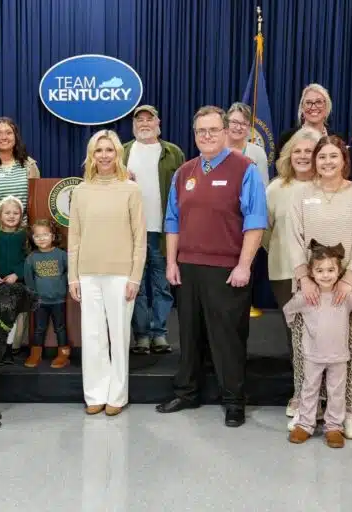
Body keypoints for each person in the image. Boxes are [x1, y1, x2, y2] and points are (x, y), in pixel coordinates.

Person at [155, 106, 267, 427]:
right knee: (188, 334)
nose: (207, 136)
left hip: (227, 269)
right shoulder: (184, 172)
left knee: (227, 337)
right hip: (187, 267)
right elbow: (172, 221)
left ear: (226, 131)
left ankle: (233, 400)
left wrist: (244, 265)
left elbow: (256, 222)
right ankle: (187, 392)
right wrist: (172, 262)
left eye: (213, 130)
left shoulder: (245, 169)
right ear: (195, 135)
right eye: (201, 131)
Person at [287, 135, 352, 439]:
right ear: (315, 161)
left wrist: (349, 278)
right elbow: (292, 236)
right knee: (307, 352)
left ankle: (347, 412)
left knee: (346, 353)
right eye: (322, 157)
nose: (327, 162)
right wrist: (303, 277)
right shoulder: (301, 193)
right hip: (310, 287)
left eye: (333, 157)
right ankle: (305, 413)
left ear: (344, 160)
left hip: (346, 287)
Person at [68, 129, 146, 417]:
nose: (104, 155)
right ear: (92, 155)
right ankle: (95, 393)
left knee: (119, 334)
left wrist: (135, 276)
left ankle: (117, 394)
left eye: (109, 150)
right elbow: (73, 237)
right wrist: (73, 277)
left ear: (118, 154)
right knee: (92, 337)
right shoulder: (80, 191)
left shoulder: (130, 189)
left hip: (121, 275)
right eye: (99, 150)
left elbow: (140, 237)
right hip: (87, 274)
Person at [285, 241, 352, 448]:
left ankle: (333, 427)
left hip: (339, 355)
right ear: (312, 273)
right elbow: (289, 310)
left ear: (339, 271)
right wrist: (294, 325)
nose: (325, 275)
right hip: (312, 355)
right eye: (320, 270)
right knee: (309, 389)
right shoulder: (306, 296)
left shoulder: (347, 296)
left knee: (336, 392)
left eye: (331, 270)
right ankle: (305, 425)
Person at [262, 127, 321, 416]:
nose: (302, 156)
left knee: (322, 334)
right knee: (296, 335)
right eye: (296, 151)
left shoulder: (328, 186)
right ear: (288, 155)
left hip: (324, 275)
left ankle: (323, 395)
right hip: (285, 272)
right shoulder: (275, 189)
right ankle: (300, 394)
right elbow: (264, 232)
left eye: (308, 151)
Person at [122, 105, 185, 355]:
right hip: (130, 232)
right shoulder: (122, 152)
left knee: (161, 285)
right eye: (140, 120)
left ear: (158, 123)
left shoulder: (173, 153)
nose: (145, 124)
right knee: (135, 286)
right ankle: (141, 336)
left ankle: (159, 333)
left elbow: (182, 192)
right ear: (134, 125)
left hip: (163, 231)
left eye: (150, 119)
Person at [24, 219, 70, 369]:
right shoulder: (31, 258)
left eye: (45, 235)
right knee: (39, 328)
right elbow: (29, 281)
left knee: (60, 328)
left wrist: (65, 289)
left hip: (58, 301)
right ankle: (35, 354)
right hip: (40, 302)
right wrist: (33, 298)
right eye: (37, 236)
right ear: (32, 238)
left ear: (53, 236)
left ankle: (63, 354)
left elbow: (70, 275)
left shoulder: (62, 255)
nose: (41, 238)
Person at [0, 195, 29, 364]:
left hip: (15, 284)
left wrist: (17, 274)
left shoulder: (23, 235)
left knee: (12, 317)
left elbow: (28, 258)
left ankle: (9, 349)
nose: (11, 216)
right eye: (7, 212)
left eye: (16, 213)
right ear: (0, 215)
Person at [278, 83, 335, 151]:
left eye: (319, 102)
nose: (313, 107)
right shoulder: (287, 138)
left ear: (326, 107)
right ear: (302, 108)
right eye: (308, 103)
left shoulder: (336, 138)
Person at [226, 102, 269, 185]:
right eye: (234, 122)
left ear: (249, 127)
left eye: (243, 124)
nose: (238, 127)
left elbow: (263, 186)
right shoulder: (214, 149)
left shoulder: (258, 153)